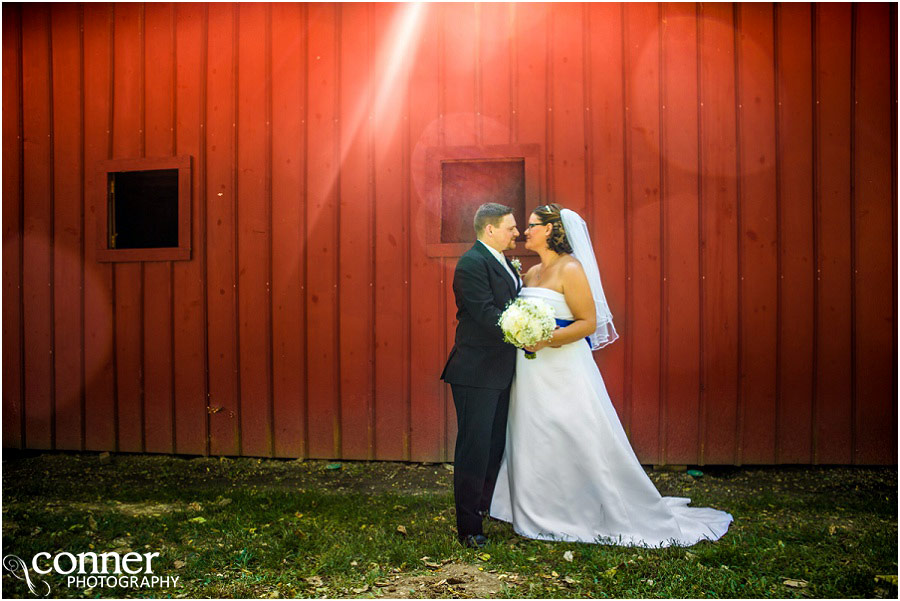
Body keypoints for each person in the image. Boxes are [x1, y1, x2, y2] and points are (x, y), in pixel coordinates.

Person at [490, 203, 733, 546]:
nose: (524, 232)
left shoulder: (571, 269)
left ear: (549, 230)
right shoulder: (530, 274)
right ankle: (537, 507)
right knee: (533, 433)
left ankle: (588, 508)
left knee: (576, 432)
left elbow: (588, 323)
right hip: (531, 372)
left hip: (563, 367)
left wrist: (547, 339)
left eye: (531, 225)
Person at [441, 203, 521, 548]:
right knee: (474, 449)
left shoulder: (502, 260)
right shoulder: (472, 263)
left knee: (494, 445)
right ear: (490, 230)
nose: (516, 233)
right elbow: (487, 314)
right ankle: (469, 527)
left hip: (500, 370)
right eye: (511, 227)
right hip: (475, 371)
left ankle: (484, 506)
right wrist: (526, 334)